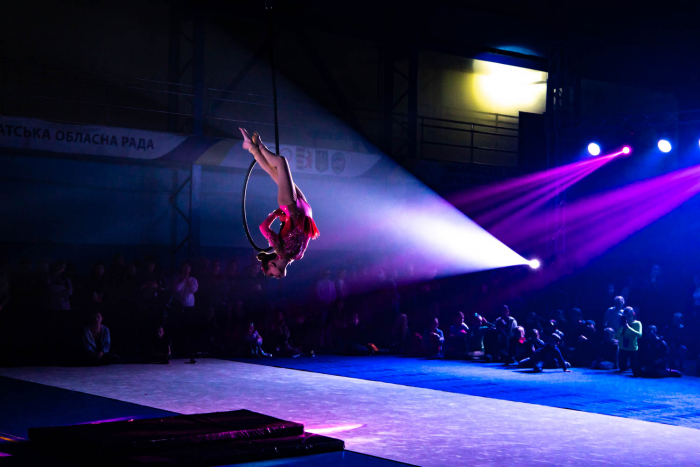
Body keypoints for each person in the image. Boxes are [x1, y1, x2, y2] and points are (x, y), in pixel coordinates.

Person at [240, 128, 320, 279]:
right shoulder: (297, 257)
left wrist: (277, 213)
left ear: (271, 265)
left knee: (281, 163)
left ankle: (258, 147)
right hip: (304, 210)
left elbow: (263, 227)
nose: (275, 277)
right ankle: (251, 148)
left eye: (271, 274)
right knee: (274, 172)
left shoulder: (278, 247)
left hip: (291, 207)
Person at [616, 307, 642, 372]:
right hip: (623, 348)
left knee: (635, 368)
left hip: (632, 348)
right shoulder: (622, 324)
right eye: (625, 317)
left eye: (628, 316)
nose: (627, 318)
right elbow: (618, 336)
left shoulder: (637, 323)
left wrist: (628, 327)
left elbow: (639, 335)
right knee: (622, 367)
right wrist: (620, 327)